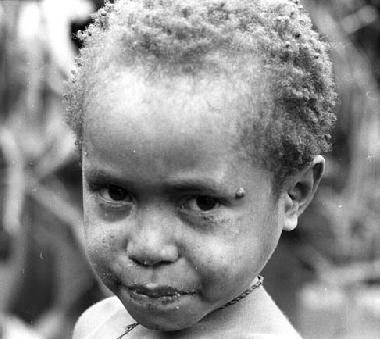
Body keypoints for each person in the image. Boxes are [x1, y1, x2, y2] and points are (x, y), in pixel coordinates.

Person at [64, 0, 336, 337]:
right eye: (116, 193)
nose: (149, 247)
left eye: (201, 203)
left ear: (293, 194)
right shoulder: (99, 324)